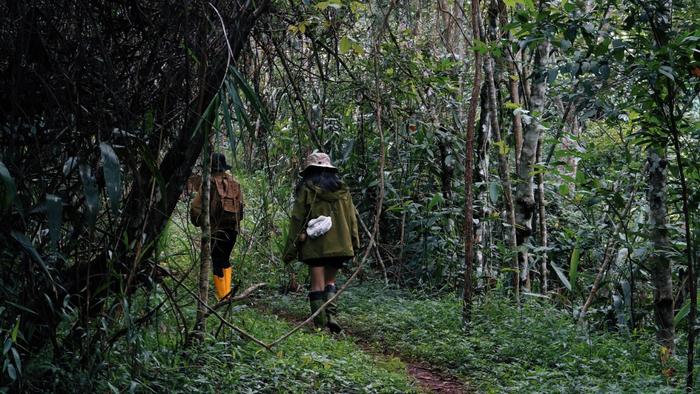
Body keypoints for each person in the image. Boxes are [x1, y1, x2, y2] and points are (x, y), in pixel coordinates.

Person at [283, 152, 360, 333]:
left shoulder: (306, 190)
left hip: (315, 245)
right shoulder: (343, 191)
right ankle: (331, 316)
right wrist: (354, 243)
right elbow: (352, 218)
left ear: (310, 171)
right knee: (330, 281)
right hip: (340, 244)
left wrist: (291, 249)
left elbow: (297, 218)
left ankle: (320, 325)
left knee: (316, 284)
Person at [190, 153, 244, 300]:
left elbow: (195, 207)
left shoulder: (209, 183)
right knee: (225, 259)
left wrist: (200, 222)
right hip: (232, 229)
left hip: (216, 228)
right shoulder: (234, 183)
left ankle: (222, 297)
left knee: (216, 261)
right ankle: (226, 294)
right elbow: (241, 208)